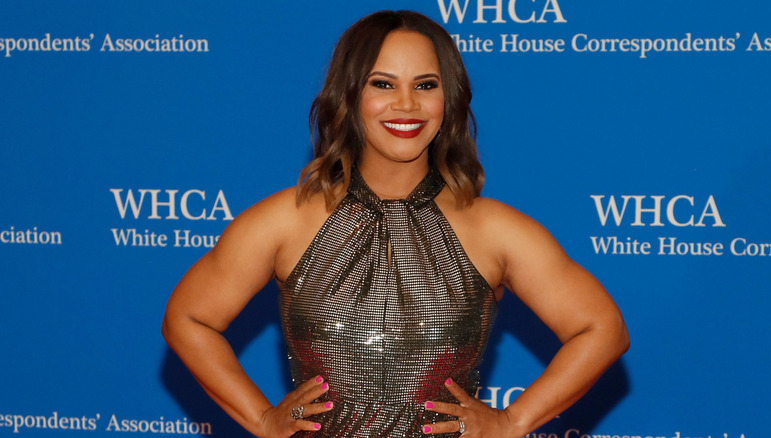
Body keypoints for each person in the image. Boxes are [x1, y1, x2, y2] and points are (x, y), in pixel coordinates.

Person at [162, 10, 629, 438]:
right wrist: (262, 419)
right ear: (348, 94)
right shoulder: (284, 220)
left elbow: (602, 328)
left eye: (426, 85)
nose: (406, 104)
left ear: (449, 97)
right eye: (382, 84)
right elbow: (188, 318)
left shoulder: (494, 229)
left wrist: (512, 420)